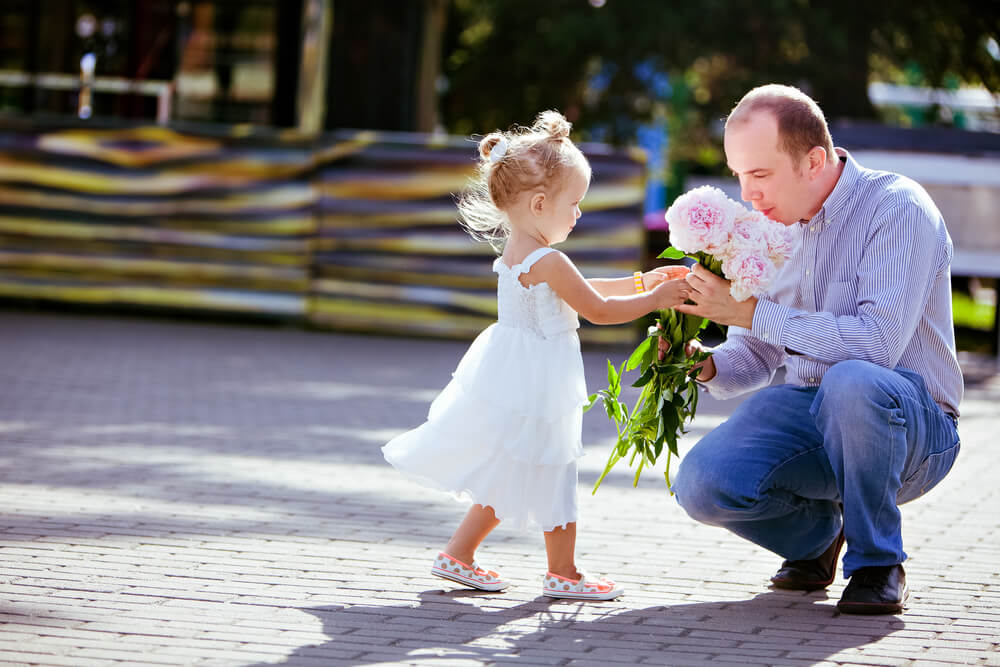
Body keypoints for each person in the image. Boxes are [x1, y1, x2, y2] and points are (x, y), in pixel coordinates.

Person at [669, 84, 964, 614]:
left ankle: (877, 562)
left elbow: (875, 346)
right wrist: (698, 358)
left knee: (851, 381)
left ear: (814, 160)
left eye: (760, 175)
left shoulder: (897, 208)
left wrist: (751, 312)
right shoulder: (771, 228)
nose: (748, 195)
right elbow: (756, 356)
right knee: (701, 484)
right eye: (739, 175)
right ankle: (816, 541)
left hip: (915, 426)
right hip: (813, 413)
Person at [383, 110, 690, 600]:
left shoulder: (518, 254)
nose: (578, 214)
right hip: (543, 378)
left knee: (514, 466)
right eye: (575, 204)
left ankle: (458, 554)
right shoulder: (550, 259)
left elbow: (580, 291)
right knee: (552, 466)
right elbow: (598, 309)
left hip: (516, 374)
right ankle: (562, 572)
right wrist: (654, 300)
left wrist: (642, 281)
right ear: (542, 202)